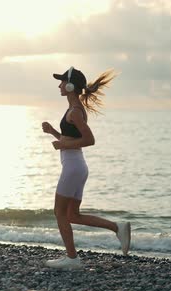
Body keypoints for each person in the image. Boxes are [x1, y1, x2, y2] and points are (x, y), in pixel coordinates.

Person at [41, 66, 130, 269]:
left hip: (73, 168)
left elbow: (89, 139)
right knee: (73, 215)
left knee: (59, 212)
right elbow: (72, 138)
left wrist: (62, 144)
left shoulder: (75, 112)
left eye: (62, 82)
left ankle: (72, 259)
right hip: (77, 167)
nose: (59, 85)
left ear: (71, 86)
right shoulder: (74, 109)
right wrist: (54, 132)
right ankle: (117, 227)